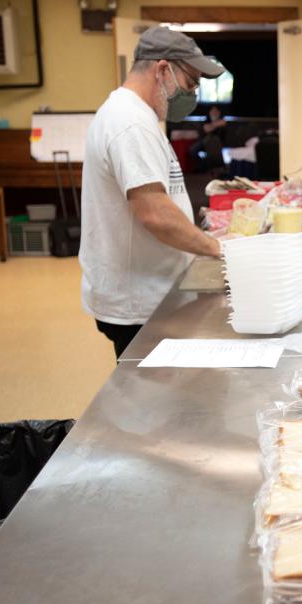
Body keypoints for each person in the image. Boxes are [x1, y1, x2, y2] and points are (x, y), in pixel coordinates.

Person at [80, 27, 225, 358]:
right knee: (147, 398)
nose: (191, 95)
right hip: (137, 298)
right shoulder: (129, 123)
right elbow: (155, 214)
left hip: (148, 287)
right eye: (190, 84)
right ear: (163, 70)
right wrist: (218, 249)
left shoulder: (138, 117)